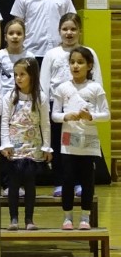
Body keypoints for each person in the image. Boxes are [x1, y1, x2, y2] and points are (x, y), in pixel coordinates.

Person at [40, 13, 103, 197]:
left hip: (82, 106)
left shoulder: (89, 52)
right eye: (65, 29)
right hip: (58, 106)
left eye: (73, 29)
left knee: (81, 145)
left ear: (80, 31)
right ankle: (60, 182)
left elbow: (97, 80)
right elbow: (44, 83)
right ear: (59, 31)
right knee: (61, 146)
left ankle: (80, 183)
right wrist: (46, 108)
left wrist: (93, 107)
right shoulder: (52, 54)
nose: (69, 33)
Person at [51, 47, 110, 230]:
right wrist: (66, 116)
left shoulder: (95, 87)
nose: (75, 66)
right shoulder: (63, 88)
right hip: (69, 141)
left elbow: (106, 114)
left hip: (88, 141)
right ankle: (67, 217)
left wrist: (91, 117)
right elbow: (54, 115)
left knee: (87, 180)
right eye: (72, 62)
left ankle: (85, 217)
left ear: (89, 65)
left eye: (80, 62)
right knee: (68, 179)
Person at [0, 58, 52, 231]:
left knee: (30, 184)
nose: (18, 78)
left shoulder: (41, 98)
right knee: (13, 185)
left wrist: (47, 147)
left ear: (32, 75)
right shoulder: (10, 97)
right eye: (16, 74)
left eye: (22, 74)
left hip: (33, 146)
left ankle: (29, 219)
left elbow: (45, 124)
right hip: (14, 148)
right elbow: (4, 122)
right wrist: (5, 144)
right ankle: (13, 218)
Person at [0, 19, 34, 101]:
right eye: (11, 33)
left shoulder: (30, 56)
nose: (15, 36)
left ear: (24, 37)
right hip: (3, 98)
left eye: (19, 33)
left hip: (24, 98)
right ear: (5, 37)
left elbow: (33, 80)